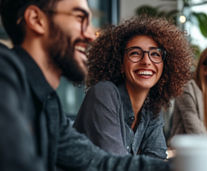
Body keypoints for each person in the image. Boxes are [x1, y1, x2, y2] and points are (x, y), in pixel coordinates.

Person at [0, 0, 170, 170]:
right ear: (36, 19)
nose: (90, 34)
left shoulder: (49, 105)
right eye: (80, 18)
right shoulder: (5, 73)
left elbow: (101, 163)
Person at [73, 16, 193, 159]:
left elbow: (156, 159)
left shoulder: (152, 106)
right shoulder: (104, 93)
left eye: (155, 54)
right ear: (120, 64)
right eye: (135, 53)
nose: (146, 61)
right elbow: (118, 163)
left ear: (164, 65)